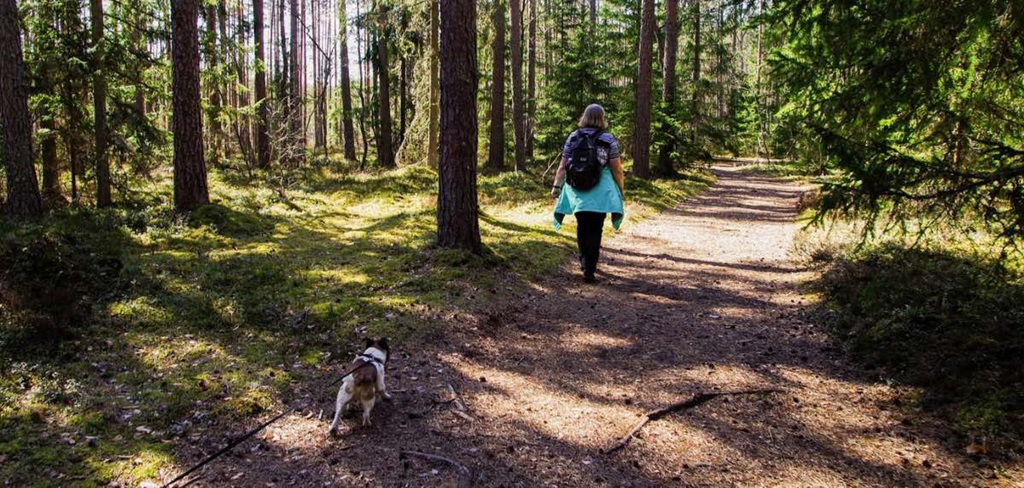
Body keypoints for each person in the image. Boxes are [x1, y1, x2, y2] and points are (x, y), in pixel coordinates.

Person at [551, 104, 626, 283]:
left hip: (577, 190)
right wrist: (621, 190)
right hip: (601, 192)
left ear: (584, 117)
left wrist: (556, 186)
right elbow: (617, 169)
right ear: (602, 118)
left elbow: (563, 165)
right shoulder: (608, 139)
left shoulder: (573, 137)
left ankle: (585, 263)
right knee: (596, 229)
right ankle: (590, 268)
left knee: (582, 227)